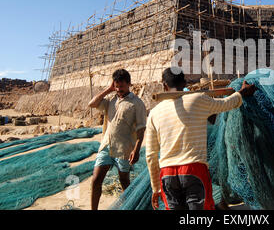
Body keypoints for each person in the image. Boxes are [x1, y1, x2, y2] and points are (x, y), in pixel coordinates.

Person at [146, 67, 256, 210]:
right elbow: (226, 104)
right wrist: (242, 93)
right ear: (184, 83)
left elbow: (151, 155)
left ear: (164, 85)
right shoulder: (197, 99)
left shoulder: (154, 113)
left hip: (167, 175)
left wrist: (156, 188)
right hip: (193, 170)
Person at [88, 69, 147, 210]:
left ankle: (128, 206)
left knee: (124, 181)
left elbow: (141, 129)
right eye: (116, 86)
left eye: (122, 86)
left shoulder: (137, 103)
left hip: (124, 148)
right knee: (96, 180)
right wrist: (108, 90)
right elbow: (92, 104)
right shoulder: (110, 100)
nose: (119, 90)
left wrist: (136, 150)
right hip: (106, 146)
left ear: (129, 84)